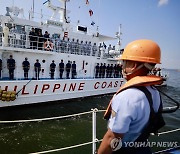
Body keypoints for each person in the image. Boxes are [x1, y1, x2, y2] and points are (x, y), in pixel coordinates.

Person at [98, 39, 165, 154]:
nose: (121, 66)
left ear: (133, 65)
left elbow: (112, 138)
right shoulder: (155, 92)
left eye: (124, 62)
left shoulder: (127, 96)